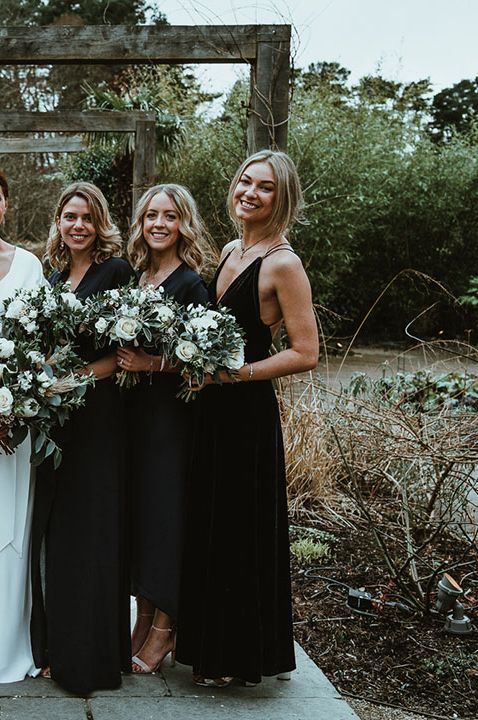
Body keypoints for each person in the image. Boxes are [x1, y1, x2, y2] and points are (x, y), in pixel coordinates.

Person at [175, 150, 319, 686]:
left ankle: (239, 657)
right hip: (211, 411)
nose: (249, 193)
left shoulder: (283, 263)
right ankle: (210, 648)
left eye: (264, 187)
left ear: (281, 198)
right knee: (212, 523)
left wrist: (234, 377)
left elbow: (306, 353)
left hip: (246, 417)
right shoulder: (233, 249)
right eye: (244, 182)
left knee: (239, 529)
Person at [30, 182, 135, 695]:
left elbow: (123, 355)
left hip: (97, 419)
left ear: (100, 226)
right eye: (69, 216)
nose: (77, 225)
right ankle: (58, 647)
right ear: (58, 222)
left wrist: (69, 380)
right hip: (56, 423)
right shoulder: (51, 280)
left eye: (87, 218)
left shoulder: (115, 274)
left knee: (91, 532)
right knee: (60, 534)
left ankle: (89, 661)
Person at [116, 184, 211, 674]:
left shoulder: (192, 284)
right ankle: (144, 617)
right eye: (151, 215)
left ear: (182, 225)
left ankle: (164, 631)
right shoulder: (137, 278)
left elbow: (205, 362)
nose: (158, 224)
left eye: (169, 216)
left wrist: (152, 361)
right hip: (135, 417)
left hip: (170, 423)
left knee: (166, 521)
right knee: (143, 519)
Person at [0, 170, 45, 684]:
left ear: (7, 205)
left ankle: (10, 639)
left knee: (12, 525)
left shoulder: (29, 265)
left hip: (14, 419)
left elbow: (40, 344)